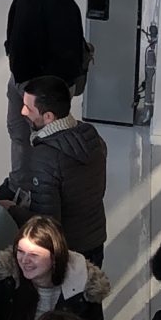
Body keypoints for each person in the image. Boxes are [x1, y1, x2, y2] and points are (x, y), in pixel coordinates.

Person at [3, 0, 87, 184]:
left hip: (38, 91)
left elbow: (67, 59)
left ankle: (38, 189)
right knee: (18, 133)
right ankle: (19, 183)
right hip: (21, 80)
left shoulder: (59, 3)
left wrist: (40, 96)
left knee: (41, 142)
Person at [12, 77, 107, 262]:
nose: (23, 111)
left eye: (29, 108)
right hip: (95, 240)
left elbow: (46, 223)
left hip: (67, 252)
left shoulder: (45, 156)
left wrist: (13, 210)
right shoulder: (90, 135)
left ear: (48, 117)